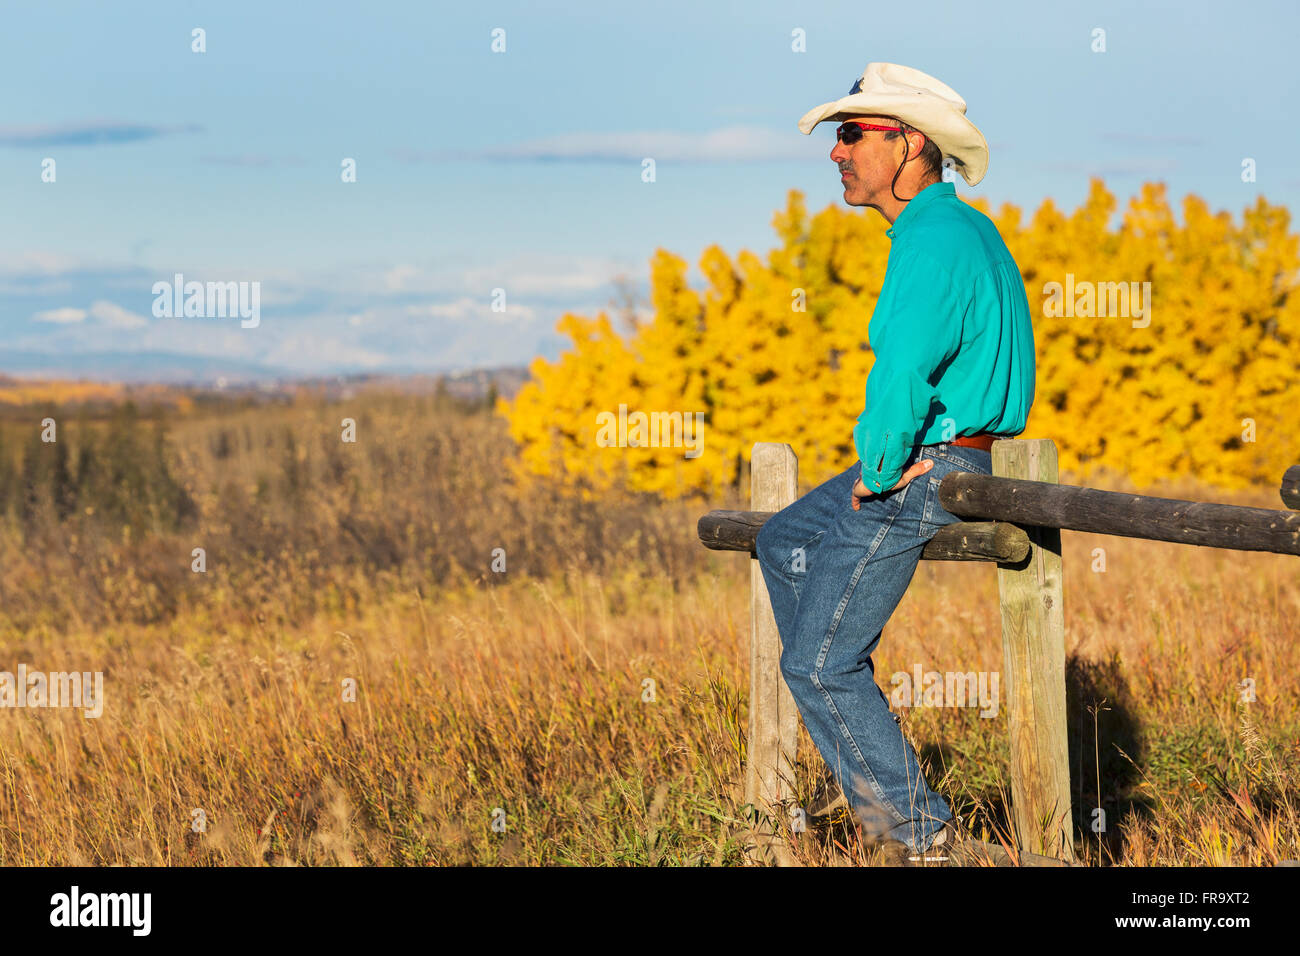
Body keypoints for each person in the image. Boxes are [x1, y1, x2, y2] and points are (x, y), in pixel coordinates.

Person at [755, 62, 1036, 864]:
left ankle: (922, 840)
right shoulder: (943, 231)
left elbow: (903, 370)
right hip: (936, 453)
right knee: (782, 543)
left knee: (816, 663)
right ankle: (849, 705)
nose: (836, 154)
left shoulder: (935, 241)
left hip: (932, 463)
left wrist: (881, 468)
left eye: (851, 135)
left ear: (908, 143)